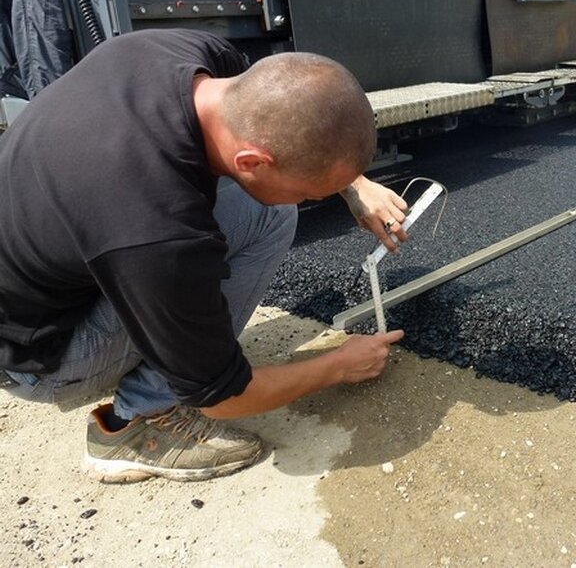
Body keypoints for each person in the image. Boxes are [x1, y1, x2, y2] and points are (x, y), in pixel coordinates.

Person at [0, 28, 408, 482]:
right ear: (252, 162)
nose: (316, 199)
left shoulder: (184, 53)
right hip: (35, 356)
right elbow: (223, 396)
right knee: (258, 228)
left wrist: (353, 183)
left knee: (268, 213)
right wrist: (335, 366)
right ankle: (135, 425)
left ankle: (174, 351)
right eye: (314, 193)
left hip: (54, 259)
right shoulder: (157, 230)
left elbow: (282, 114)